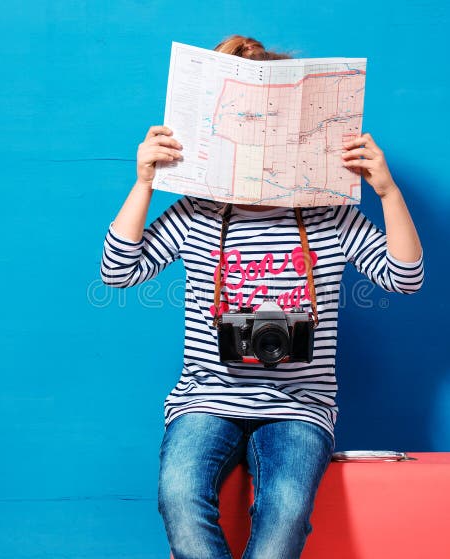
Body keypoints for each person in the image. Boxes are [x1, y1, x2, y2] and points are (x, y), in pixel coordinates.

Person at [100, 35, 424, 559]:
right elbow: (118, 272)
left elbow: (403, 278)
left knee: (288, 507)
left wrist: (388, 191)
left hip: (300, 405)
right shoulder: (198, 211)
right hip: (206, 396)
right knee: (178, 495)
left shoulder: (328, 214)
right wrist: (143, 182)